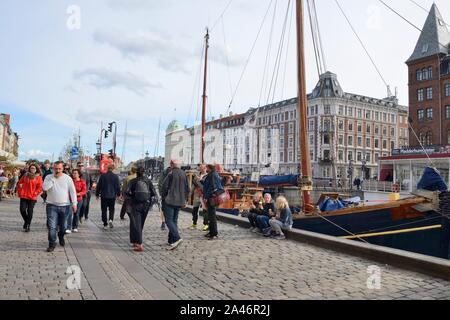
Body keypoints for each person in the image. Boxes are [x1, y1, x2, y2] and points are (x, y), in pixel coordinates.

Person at [42, 161, 77, 252]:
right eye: (56, 169)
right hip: (51, 205)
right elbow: (45, 188)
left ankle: (61, 235)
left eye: (59, 169)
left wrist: (74, 203)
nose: (57, 170)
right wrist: (53, 179)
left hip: (65, 206)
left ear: (63, 169)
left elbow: (72, 191)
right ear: (53, 168)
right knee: (52, 226)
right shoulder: (48, 177)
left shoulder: (68, 178)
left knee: (63, 227)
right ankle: (52, 244)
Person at [126, 166, 157, 252]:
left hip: (136, 204)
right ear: (144, 172)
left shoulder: (133, 181)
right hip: (146, 204)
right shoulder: (148, 181)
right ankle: (136, 241)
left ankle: (139, 244)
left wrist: (132, 197)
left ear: (136, 172)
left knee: (136, 224)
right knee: (141, 223)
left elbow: (126, 192)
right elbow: (154, 193)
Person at [161, 159, 189, 250]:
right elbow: (187, 188)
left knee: (169, 221)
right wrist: (185, 200)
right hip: (180, 201)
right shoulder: (184, 174)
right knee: (174, 220)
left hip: (170, 200)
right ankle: (172, 240)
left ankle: (177, 238)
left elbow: (164, 186)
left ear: (172, 164)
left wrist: (164, 197)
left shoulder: (171, 173)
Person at [16, 164, 43, 232]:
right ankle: (26, 221)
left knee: (30, 211)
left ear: (36, 169)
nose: (32, 169)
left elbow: (40, 187)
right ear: (29, 169)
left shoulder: (38, 177)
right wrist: (20, 191)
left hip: (32, 197)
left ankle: (28, 225)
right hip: (24, 196)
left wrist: (35, 193)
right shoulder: (25, 175)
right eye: (31, 168)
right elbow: (19, 183)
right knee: (22, 210)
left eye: (34, 168)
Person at [202, 164, 224, 240]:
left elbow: (212, 187)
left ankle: (214, 233)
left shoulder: (212, 175)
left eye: (206, 167)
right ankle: (211, 232)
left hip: (211, 197)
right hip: (210, 197)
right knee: (210, 216)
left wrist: (206, 196)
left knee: (212, 216)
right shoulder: (212, 174)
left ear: (209, 168)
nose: (206, 169)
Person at [95, 164, 120, 229]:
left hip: (104, 195)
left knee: (104, 210)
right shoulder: (115, 176)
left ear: (107, 168)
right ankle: (111, 220)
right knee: (111, 209)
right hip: (112, 196)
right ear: (113, 169)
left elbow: (99, 186)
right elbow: (118, 187)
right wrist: (118, 194)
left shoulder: (103, 176)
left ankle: (105, 224)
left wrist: (97, 194)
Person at [67, 169, 86, 233]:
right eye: (73, 173)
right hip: (70, 199)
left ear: (79, 174)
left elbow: (84, 191)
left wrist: (78, 194)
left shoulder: (82, 181)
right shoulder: (70, 181)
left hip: (78, 199)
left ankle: (75, 227)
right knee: (69, 213)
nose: (74, 174)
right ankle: (68, 227)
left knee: (76, 213)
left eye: (75, 173)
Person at [189, 164, 207, 230]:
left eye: (201, 167)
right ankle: (194, 223)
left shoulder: (207, 176)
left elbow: (204, 188)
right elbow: (194, 185)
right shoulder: (197, 176)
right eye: (199, 167)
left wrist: (198, 181)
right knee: (194, 210)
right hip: (197, 195)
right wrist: (190, 193)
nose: (199, 168)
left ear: (205, 168)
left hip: (204, 195)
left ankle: (206, 224)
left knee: (205, 211)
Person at [158, 166, 171, 230]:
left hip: (165, 194)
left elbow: (160, 184)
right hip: (172, 195)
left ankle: (163, 222)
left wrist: (161, 194)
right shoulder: (174, 172)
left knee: (163, 209)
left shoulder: (164, 172)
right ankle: (170, 223)